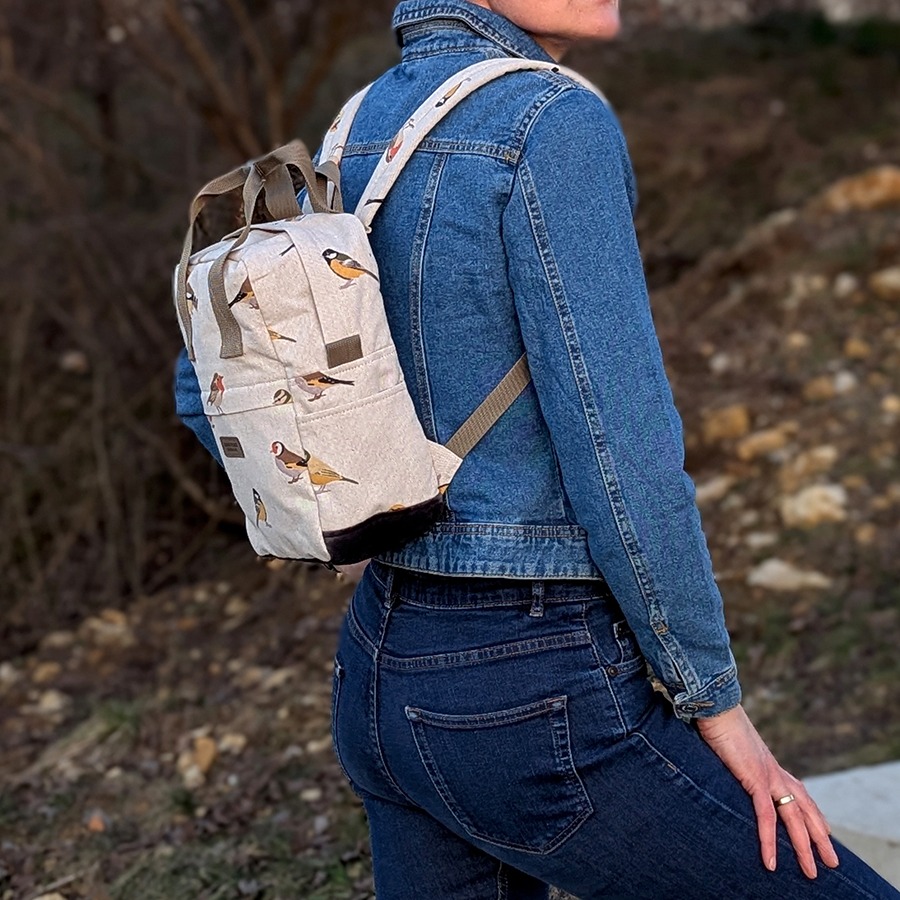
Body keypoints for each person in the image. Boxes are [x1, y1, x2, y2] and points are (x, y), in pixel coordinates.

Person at [174, 1, 900, 897]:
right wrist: (715, 702)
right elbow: (622, 449)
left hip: (377, 671)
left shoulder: (351, 129)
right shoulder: (553, 122)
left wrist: (347, 513)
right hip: (532, 689)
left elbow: (200, 388)